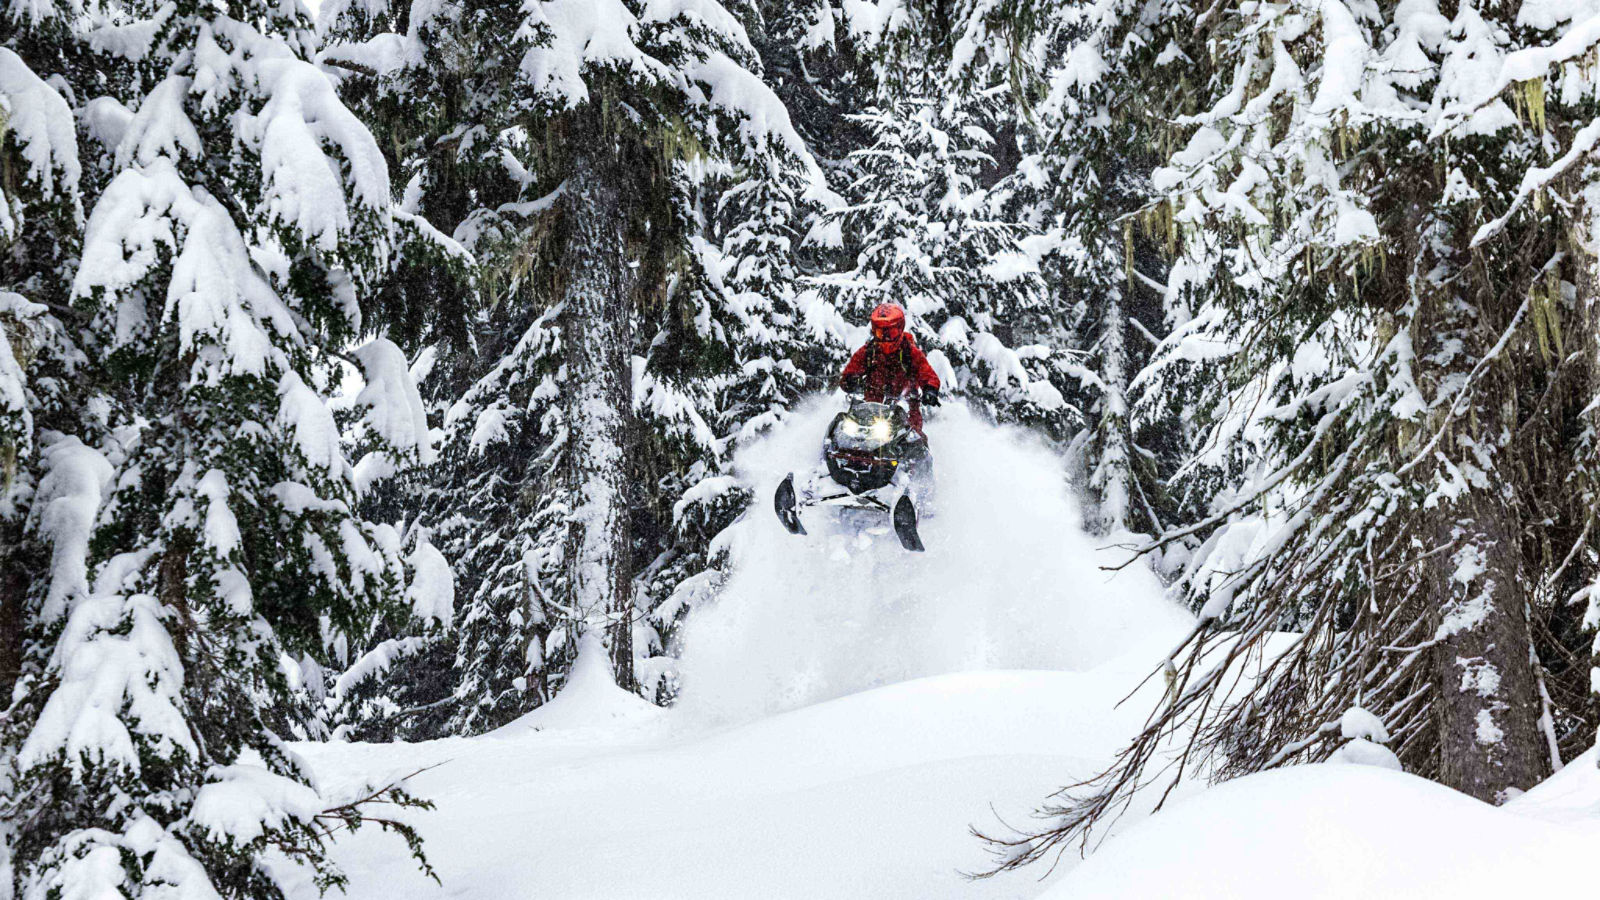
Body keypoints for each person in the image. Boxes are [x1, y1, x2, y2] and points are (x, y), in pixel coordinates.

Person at [839, 303, 941, 433]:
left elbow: (926, 373)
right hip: (872, 408)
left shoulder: (910, 352)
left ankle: (920, 449)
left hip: (905, 407)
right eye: (880, 332)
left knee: (915, 436)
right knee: (845, 430)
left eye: (890, 333)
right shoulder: (869, 351)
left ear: (900, 329)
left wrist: (930, 390)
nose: (886, 339)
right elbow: (851, 370)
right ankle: (833, 451)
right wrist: (849, 381)